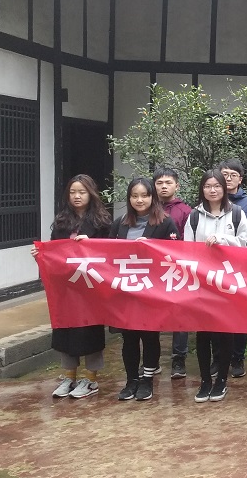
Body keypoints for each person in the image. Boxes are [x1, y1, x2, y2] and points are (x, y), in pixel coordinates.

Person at [32, 174, 113, 399]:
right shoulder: (61, 221)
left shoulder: (102, 222)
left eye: (82, 192)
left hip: (91, 287)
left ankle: (91, 379)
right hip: (66, 287)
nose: (77, 196)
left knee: (89, 331)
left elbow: (111, 253)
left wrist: (90, 245)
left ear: (91, 194)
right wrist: (40, 255)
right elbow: (54, 253)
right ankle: (69, 376)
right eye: (72, 192)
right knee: (65, 329)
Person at [109, 177, 179, 402]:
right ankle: (131, 380)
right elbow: (107, 253)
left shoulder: (165, 222)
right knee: (128, 337)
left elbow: (175, 255)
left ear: (152, 197)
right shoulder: (120, 223)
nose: (139, 200)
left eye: (144, 196)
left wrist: (150, 247)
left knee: (149, 336)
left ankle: (147, 379)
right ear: (129, 198)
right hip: (126, 290)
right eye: (134, 196)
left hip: (152, 290)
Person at [184, 170, 247, 402]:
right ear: (202, 189)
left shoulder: (237, 213)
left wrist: (223, 240)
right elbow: (186, 249)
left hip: (228, 282)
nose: (212, 190)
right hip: (203, 283)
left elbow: (246, 244)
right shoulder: (194, 215)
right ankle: (205, 380)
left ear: (224, 188)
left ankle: (222, 380)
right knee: (203, 333)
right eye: (207, 186)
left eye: (217, 186)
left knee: (225, 331)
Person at [219, 159, 247, 379]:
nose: (228, 178)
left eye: (232, 175)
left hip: (240, 268)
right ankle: (219, 359)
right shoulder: (210, 202)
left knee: (239, 315)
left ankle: (238, 358)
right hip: (214, 269)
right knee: (217, 314)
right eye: (224, 174)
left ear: (240, 179)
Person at [153, 168, 193, 380]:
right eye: (159, 183)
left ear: (177, 186)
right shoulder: (146, 209)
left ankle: (179, 359)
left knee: (180, 315)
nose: (164, 186)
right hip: (152, 270)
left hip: (177, 270)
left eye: (168, 182)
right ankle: (152, 359)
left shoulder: (186, 211)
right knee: (151, 314)